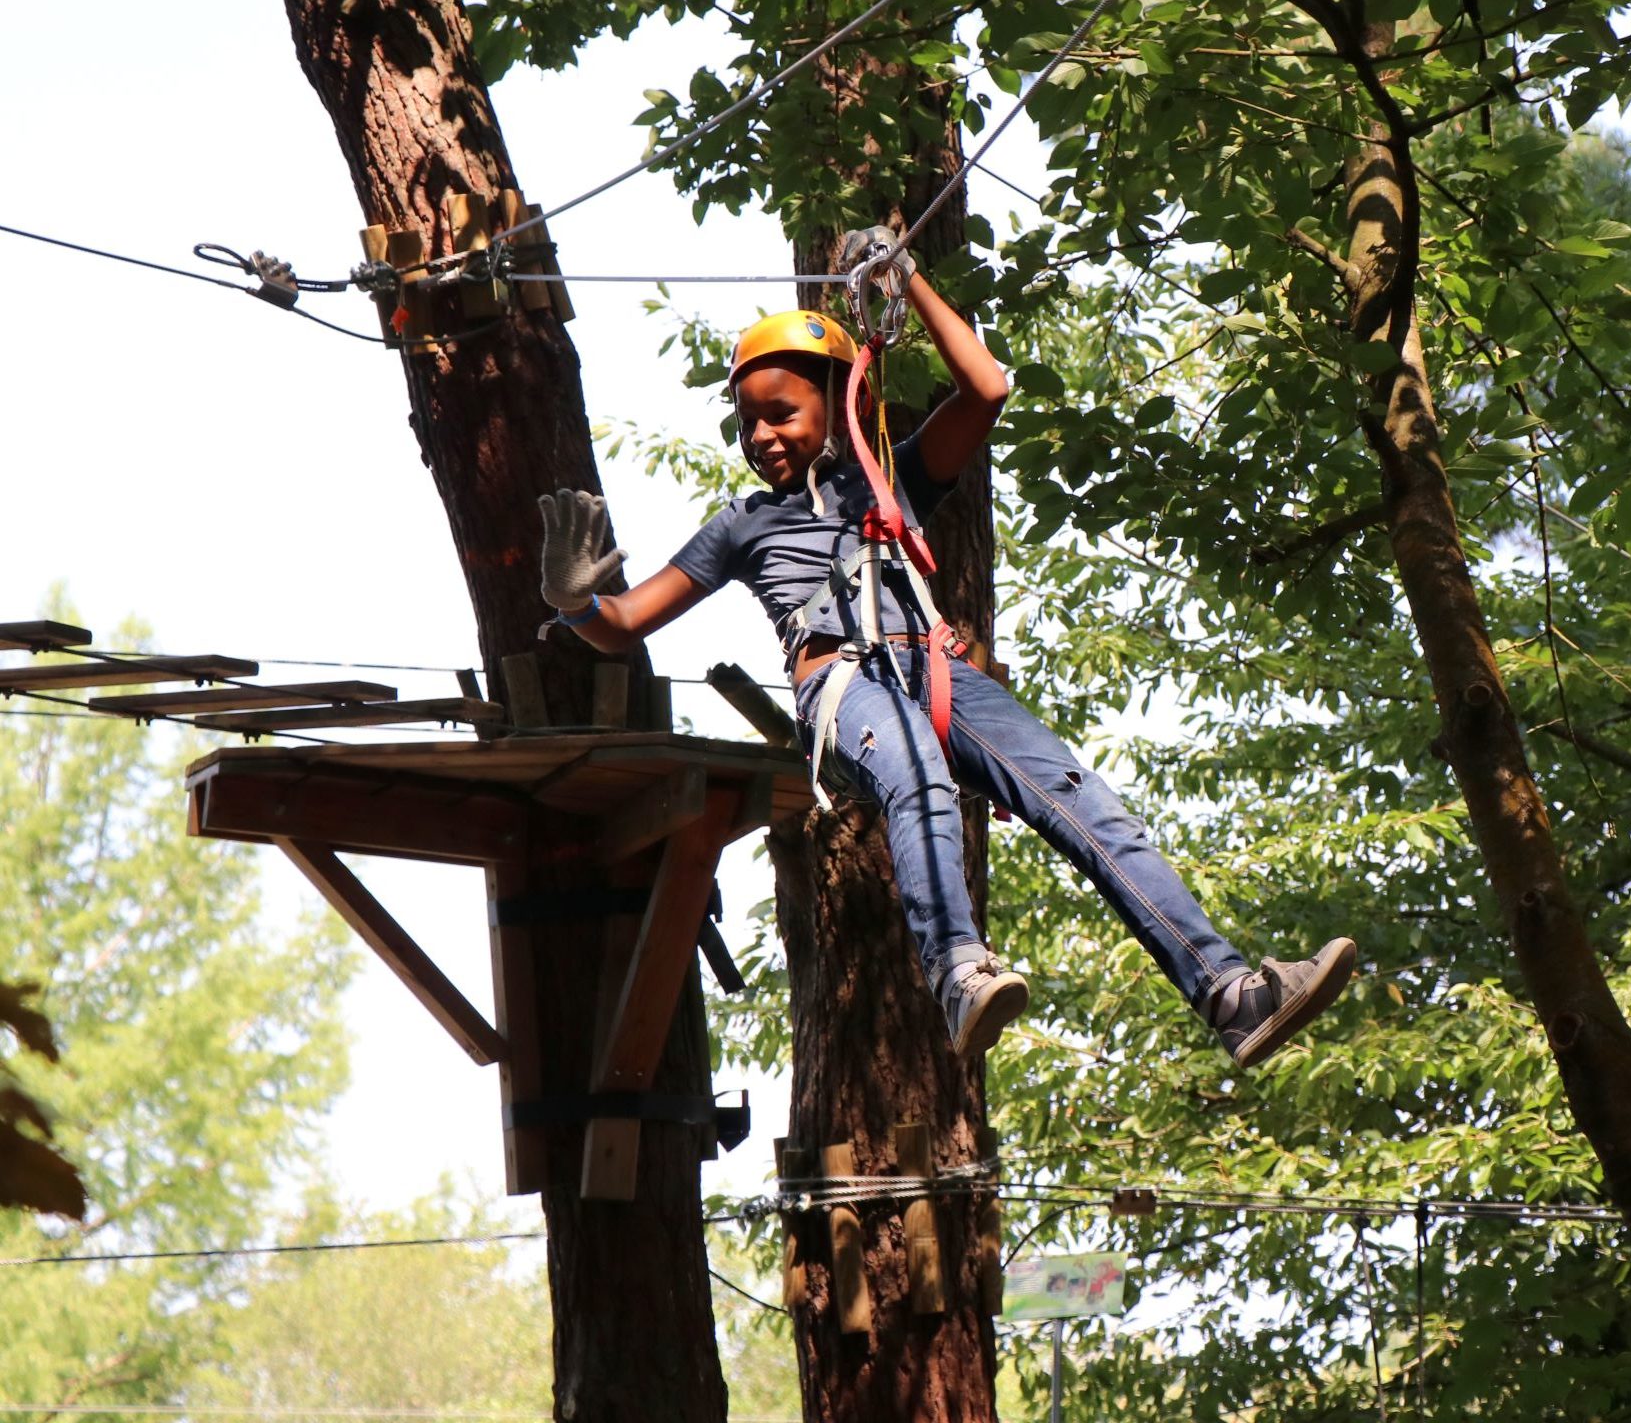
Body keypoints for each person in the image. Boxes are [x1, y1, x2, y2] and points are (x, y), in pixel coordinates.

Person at [537, 228, 1355, 1063]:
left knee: (1080, 797)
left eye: (780, 413)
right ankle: (958, 974)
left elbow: (985, 388)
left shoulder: (891, 473)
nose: (761, 436)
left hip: (934, 669)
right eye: (748, 424)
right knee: (918, 779)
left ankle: (1229, 993)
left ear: (838, 401)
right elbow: (626, 622)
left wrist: (909, 280)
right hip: (843, 685)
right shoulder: (744, 526)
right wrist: (575, 601)